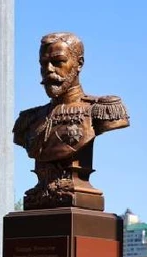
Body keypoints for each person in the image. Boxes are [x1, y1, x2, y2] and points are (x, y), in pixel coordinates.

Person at [12, 32, 129, 210]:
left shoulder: (100, 110)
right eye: (44, 63)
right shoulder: (29, 120)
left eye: (58, 62)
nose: (49, 70)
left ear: (79, 63)